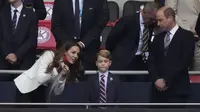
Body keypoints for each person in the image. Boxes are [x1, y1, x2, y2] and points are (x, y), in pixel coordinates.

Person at [148, 6, 195, 103]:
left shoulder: (187, 36)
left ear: (170, 18)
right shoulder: (158, 38)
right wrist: (156, 80)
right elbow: (151, 61)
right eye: (157, 21)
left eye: (161, 20)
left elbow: (185, 61)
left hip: (177, 90)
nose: (158, 23)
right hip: (157, 92)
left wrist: (166, 80)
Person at [14, 40, 83, 102]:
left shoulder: (67, 66)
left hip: (41, 90)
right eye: (73, 52)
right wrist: (57, 70)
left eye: (78, 54)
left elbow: (57, 92)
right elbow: (40, 79)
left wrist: (63, 77)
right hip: (26, 87)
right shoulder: (49, 55)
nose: (75, 56)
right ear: (65, 51)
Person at [105, 2, 159, 82]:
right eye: (151, 18)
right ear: (144, 12)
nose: (153, 21)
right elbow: (111, 40)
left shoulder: (151, 24)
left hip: (141, 61)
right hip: (123, 61)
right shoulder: (127, 20)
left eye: (155, 19)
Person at [51, 0, 109, 71]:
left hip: (88, 49)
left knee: (87, 79)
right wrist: (69, 46)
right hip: (65, 51)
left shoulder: (98, 1)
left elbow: (100, 23)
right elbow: (56, 26)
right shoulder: (60, 1)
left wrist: (83, 43)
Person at [165, 0, 200, 70]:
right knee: (181, 70)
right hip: (182, 35)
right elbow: (170, 12)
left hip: (198, 39)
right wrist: (187, 30)